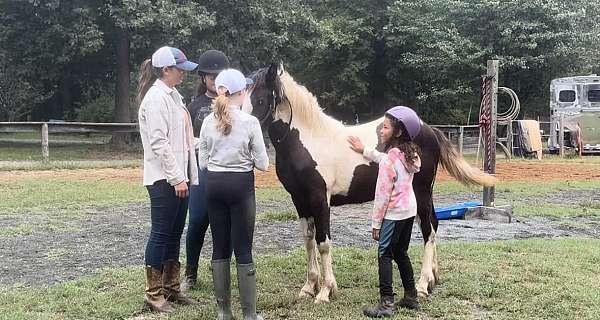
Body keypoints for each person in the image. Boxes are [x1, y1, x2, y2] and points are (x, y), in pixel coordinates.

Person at [198, 68, 269, 320]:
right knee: (243, 248)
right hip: (240, 186)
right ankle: (249, 314)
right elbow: (263, 164)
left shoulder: (208, 121)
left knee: (220, 247)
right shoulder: (250, 123)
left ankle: (223, 312)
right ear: (242, 93)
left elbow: (203, 162)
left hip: (214, 185)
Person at [137, 46, 199, 313]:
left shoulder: (174, 96)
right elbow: (159, 143)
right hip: (164, 179)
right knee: (161, 233)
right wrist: (176, 178)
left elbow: (182, 140)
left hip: (177, 176)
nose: (183, 74)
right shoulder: (155, 99)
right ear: (166, 70)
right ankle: (153, 294)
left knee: (174, 233)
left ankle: (171, 287)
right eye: (179, 69)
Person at [347, 106, 422, 317]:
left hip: (393, 214)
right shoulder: (409, 155)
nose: (381, 130)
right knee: (401, 252)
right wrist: (365, 150)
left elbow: (382, 195)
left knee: (384, 254)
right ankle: (411, 296)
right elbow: (385, 158)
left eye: (386, 127)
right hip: (408, 211)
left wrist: (376, 224)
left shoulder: (391, 160)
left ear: (397, 132)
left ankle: (386, 304)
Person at [182, 49, 231, 290]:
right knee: (198, 220)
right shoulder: (193, 107)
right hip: (202, 170)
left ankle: (220, 270)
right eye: (210, 76)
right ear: (203, 78)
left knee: (226, 223)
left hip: (228, 170)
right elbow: (186, 140)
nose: (214, 79)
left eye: (218, 75)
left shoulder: (235, 105)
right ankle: (190, 272)